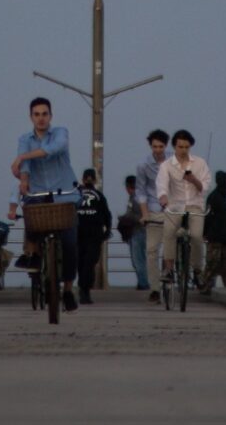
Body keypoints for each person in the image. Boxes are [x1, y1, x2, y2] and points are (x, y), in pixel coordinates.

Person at [9, 97, 80, 312]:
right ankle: (34, 258)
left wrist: (22, 157)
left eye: (44, 114)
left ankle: (67, 289)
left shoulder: (60, 133)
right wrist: (23, 178)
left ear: (51, 115)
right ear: (31, 116)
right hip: (37, 193)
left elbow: (54, 149)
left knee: (70, 244)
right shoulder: (24, 139)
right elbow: (26, 167)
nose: (41, 118)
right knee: (32, 227)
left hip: (64, 194)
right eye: (36, 114)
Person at [157, 130, 210, 284]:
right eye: (180, 147)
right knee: (168, 232)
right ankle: (168, 268)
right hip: (174, 206)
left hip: (195, 205)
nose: (183, 150)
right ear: (174, 146)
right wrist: (163, 197)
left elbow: (205, 187)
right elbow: (162, 185)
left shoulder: (200, 163)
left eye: (186, 147)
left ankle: (198, 270)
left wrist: (193, 179)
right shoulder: (167, 165)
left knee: (196, 236)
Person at [136, 129, 170, 302]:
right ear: (150, 146)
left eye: (161, 146)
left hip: (172, 210)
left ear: (166, 146)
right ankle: (155, 288)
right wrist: (145, 214)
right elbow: (140, 190)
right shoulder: (143, 165)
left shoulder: (174, 161)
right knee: (151, 251)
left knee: (172, 246)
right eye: (155, 146)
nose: (158, 150)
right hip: (154, 210)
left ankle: (169, 271)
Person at [76, 168, 112, 303]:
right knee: (89, 263)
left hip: (79, 233)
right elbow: (107, 215)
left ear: (83, 179)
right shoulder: (99, 195)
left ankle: (82, 288)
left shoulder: (76, 193)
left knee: (81, 262)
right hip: (94, 234)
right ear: (95, 180)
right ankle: (85, 290)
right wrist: (107, 230)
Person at [201, 170, 226, 293]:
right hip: (216, 237)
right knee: (213, 263)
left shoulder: (220, 197)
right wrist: (205, 232)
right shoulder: (215, 198)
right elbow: (208, 216)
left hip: (223, 238)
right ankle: (205, 286)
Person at [119, 174, 149, 289]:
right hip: (138, 231)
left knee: (138, 259)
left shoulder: (136, 198)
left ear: (128, 186)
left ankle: (143, 283)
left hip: (138, 231)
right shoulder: (137, 197)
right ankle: (142, 282)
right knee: (139, 259)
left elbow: (141, 216)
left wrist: (127, 218)